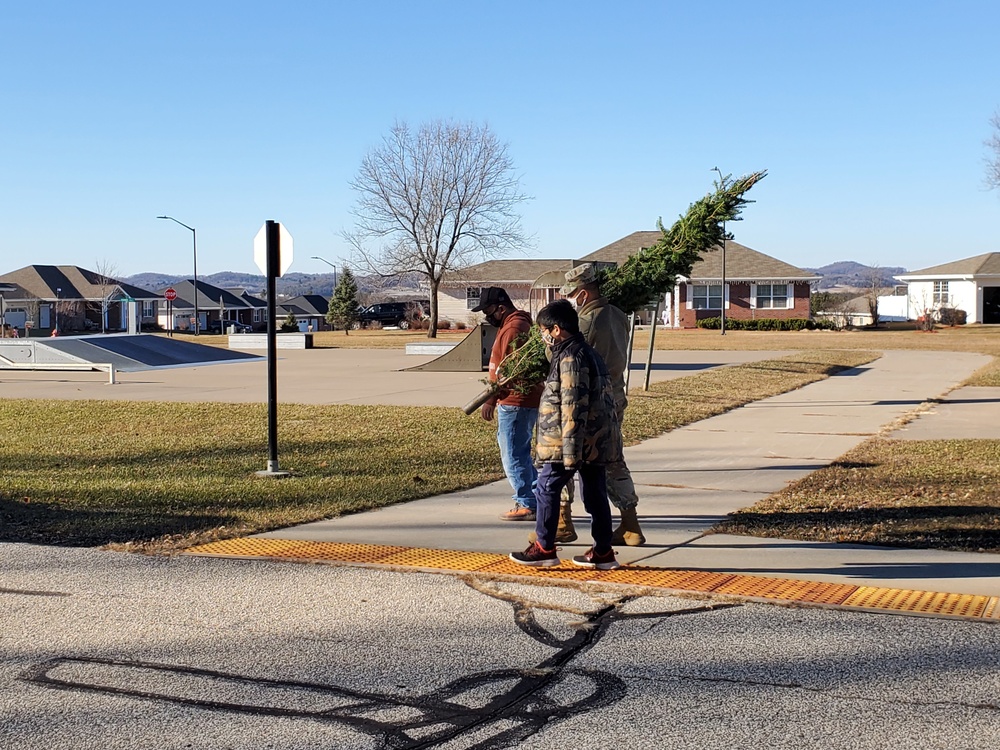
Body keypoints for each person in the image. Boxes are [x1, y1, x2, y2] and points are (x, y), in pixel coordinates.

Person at [510, 299, 621, 569]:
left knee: (547, 488)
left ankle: (544, 547)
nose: (542, 336)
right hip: (593, 440)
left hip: (568, 442)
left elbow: (572, 405)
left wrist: (570, 455)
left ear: (556, 330)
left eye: (543, 330)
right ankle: (603, 552)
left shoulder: (571, 358)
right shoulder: (586, 352)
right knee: (595, 493)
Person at [558, 263, 645, 546]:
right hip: (614, 395)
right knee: (612, 459)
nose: (571, 300)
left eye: (572, 295)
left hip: (587, 399)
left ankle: (562, 520)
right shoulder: (618, 314)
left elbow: (566, 356)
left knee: (563, 457)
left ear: (582, 294)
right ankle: (630, 523)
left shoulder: (586, 322)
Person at [474, 287, 543, 521]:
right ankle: (537, 499)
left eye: (488, 310)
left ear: (501, 308)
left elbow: (508, 372)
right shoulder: (514, 325)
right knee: (518, 451)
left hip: (515, 400)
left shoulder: (514, 328)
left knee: (513, 454)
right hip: (517, 400)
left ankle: (528, 503)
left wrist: (490, 400)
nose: (487, 316)